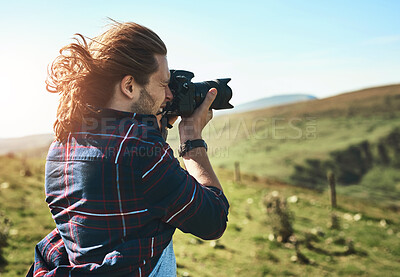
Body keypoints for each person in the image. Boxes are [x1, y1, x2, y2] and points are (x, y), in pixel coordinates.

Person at [29, 21, 229, 276]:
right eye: (163, 83)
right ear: (129, 86)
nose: (169, 95)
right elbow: (213, 220)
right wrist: (191, 140)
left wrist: (158, 127)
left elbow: (128, 200)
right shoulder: (139, 148)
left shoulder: (62, 143)